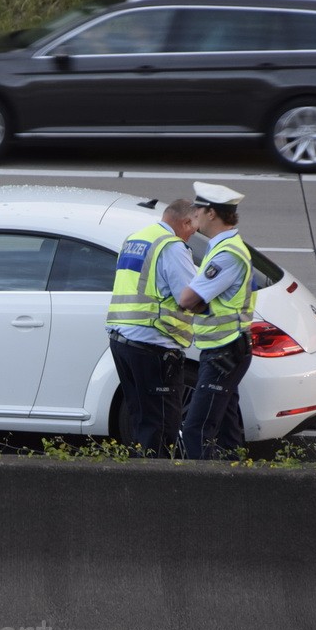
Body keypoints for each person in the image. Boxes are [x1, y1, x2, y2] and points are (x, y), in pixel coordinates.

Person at [106, 198, 199, 457]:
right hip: (153, 345)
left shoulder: (136, 239)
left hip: (122, 340)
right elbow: (188, 297)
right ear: (185, 221)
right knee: (161, 425)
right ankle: (155, 487)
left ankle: (140, 479)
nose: (194, 233)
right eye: (194, 227)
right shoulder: (172, 247)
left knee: (140, 420)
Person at [179, 182, 257, 460]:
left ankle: (201, 494)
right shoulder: (223, 248)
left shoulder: (226, 255)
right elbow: (200, 298)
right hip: (223, 349)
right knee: (227, 429)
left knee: (195, 430)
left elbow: (187, 299)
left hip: (225, 352)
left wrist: (196, 300)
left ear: (211, 213)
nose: (193, 214)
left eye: (197, 209)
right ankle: (234, 482)